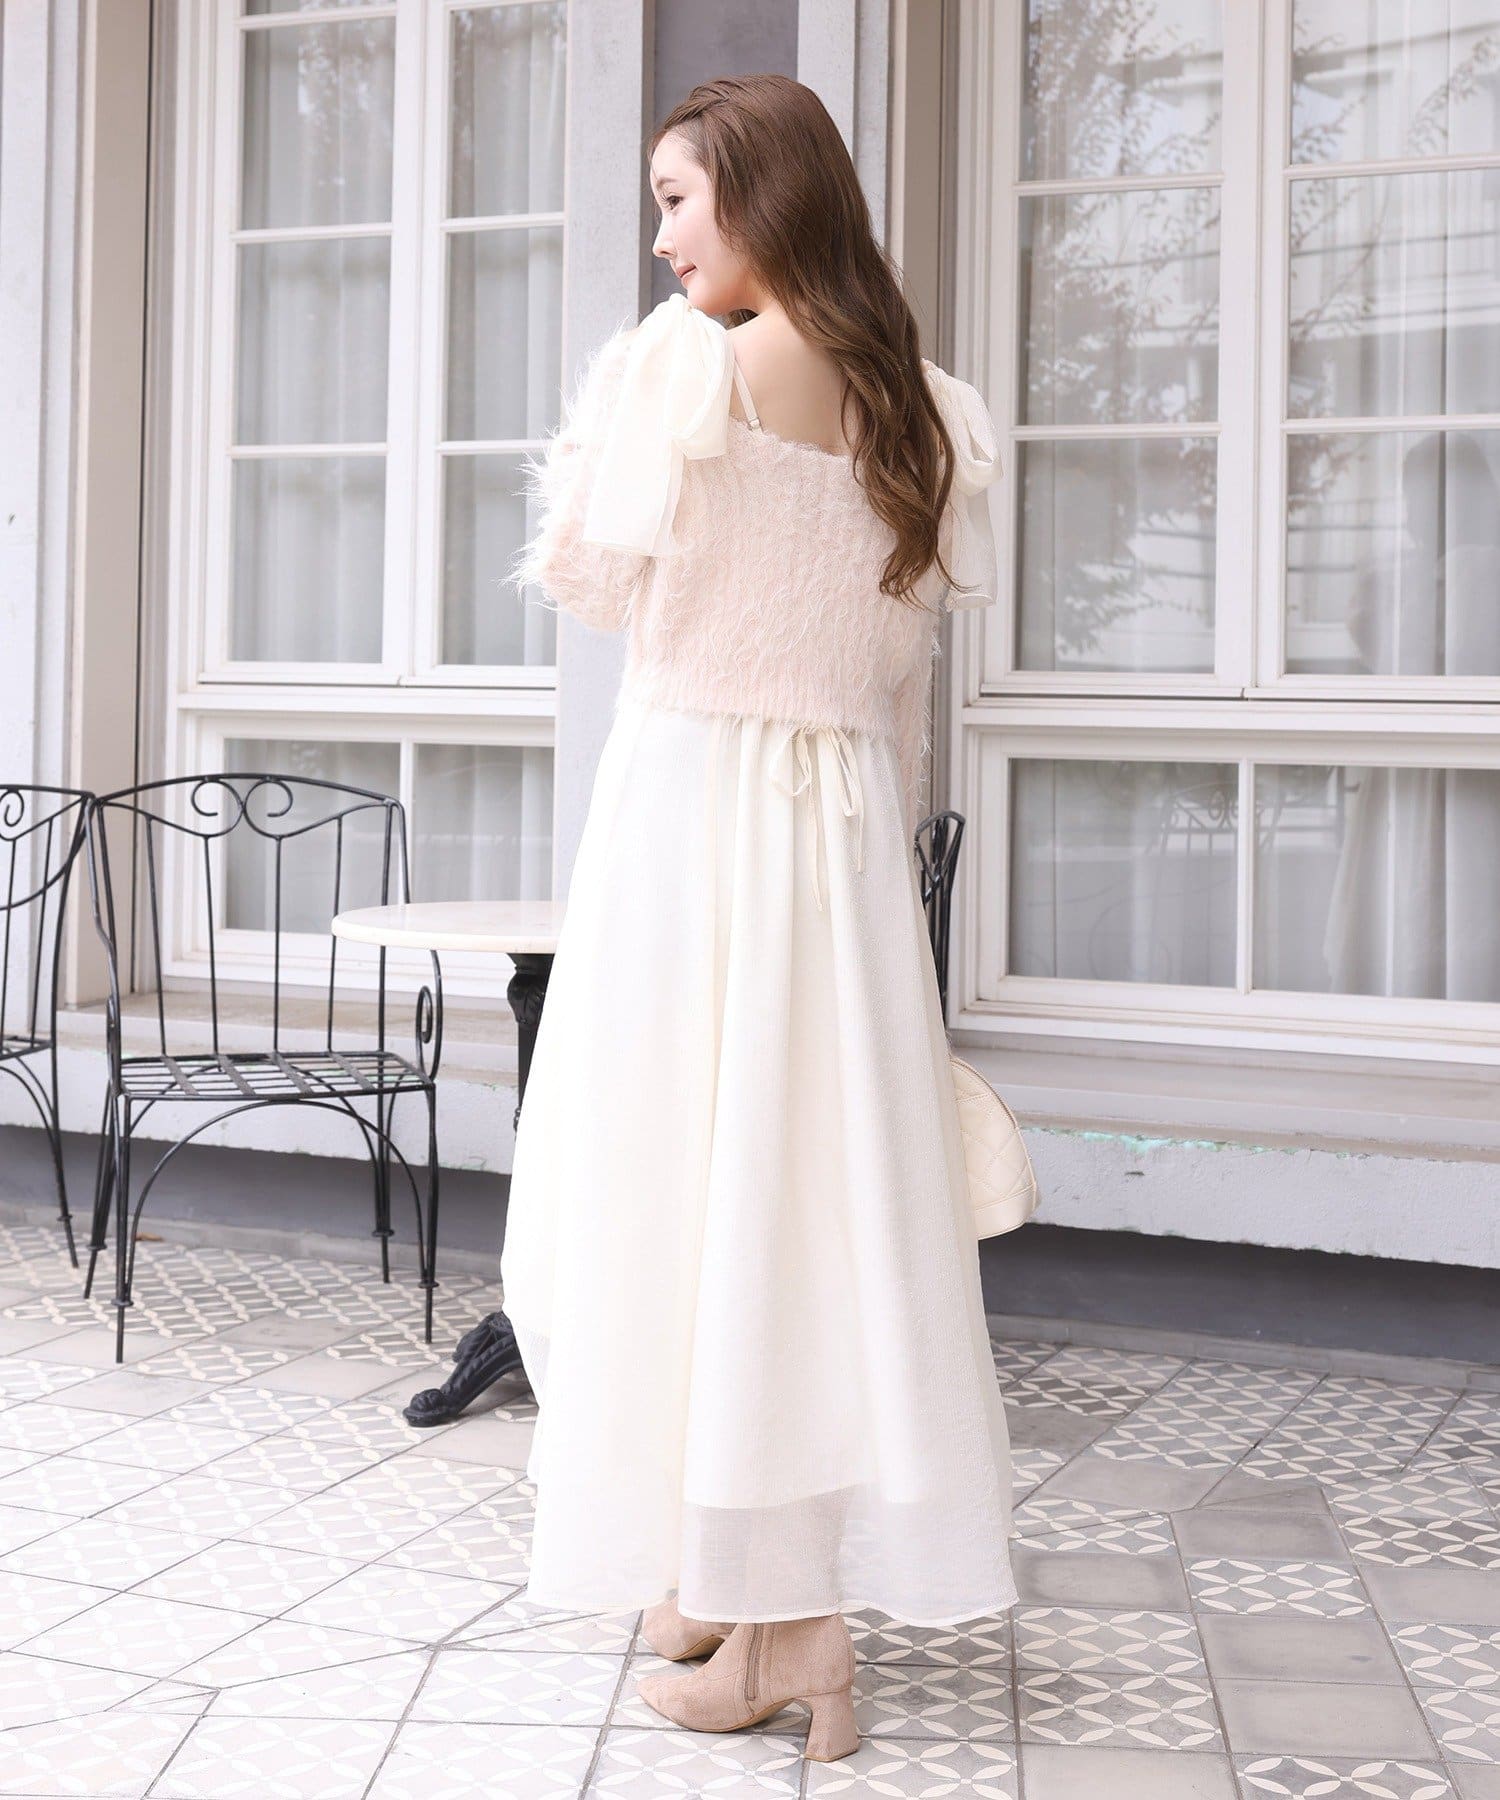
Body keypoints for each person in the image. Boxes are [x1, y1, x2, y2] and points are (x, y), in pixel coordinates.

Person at [497, 73, 1017, 1765]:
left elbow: (591, 577)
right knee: (799, 1212)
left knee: (672, 1196)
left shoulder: (692, 372)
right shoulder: (929, 407)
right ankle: (726, 1581)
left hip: (699, 813)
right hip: (840, 839)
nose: (661, 238)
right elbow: (901, 681)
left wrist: (639, 406)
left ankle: (789, 1627)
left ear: (761, 193)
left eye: (678, 198)